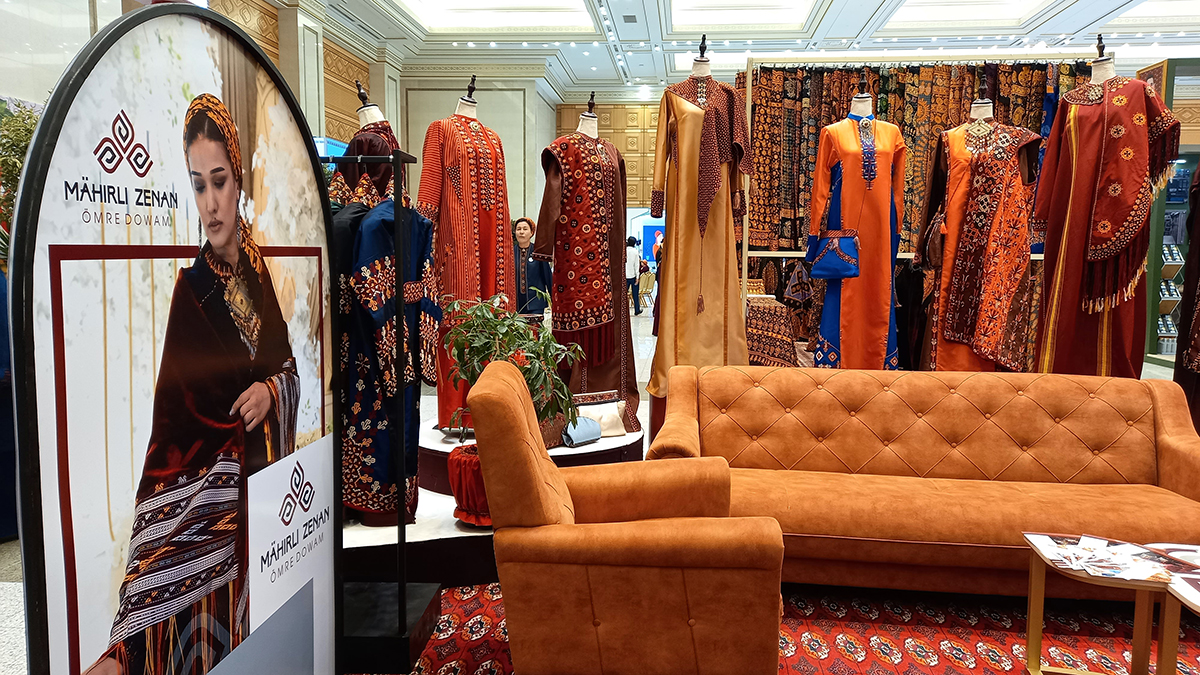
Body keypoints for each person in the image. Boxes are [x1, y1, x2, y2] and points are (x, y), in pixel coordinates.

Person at [87, 93, 299, 675]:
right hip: (205, 517)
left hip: (263, 512)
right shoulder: (192, 292)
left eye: (220, 181)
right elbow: (171, 434)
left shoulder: (257, 272)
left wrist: (272, 392)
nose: (210, 203)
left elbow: (287, 366)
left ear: (239, 178)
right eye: (198, 184)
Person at [625, 236, 642, 315]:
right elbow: (636, 265)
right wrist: (637, 277)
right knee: (635, 295)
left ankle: (623, 310)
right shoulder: (635, 251)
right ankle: (637, 310)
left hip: (625, 276)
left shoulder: (624, 251)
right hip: (633, 276)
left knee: (624, 295)